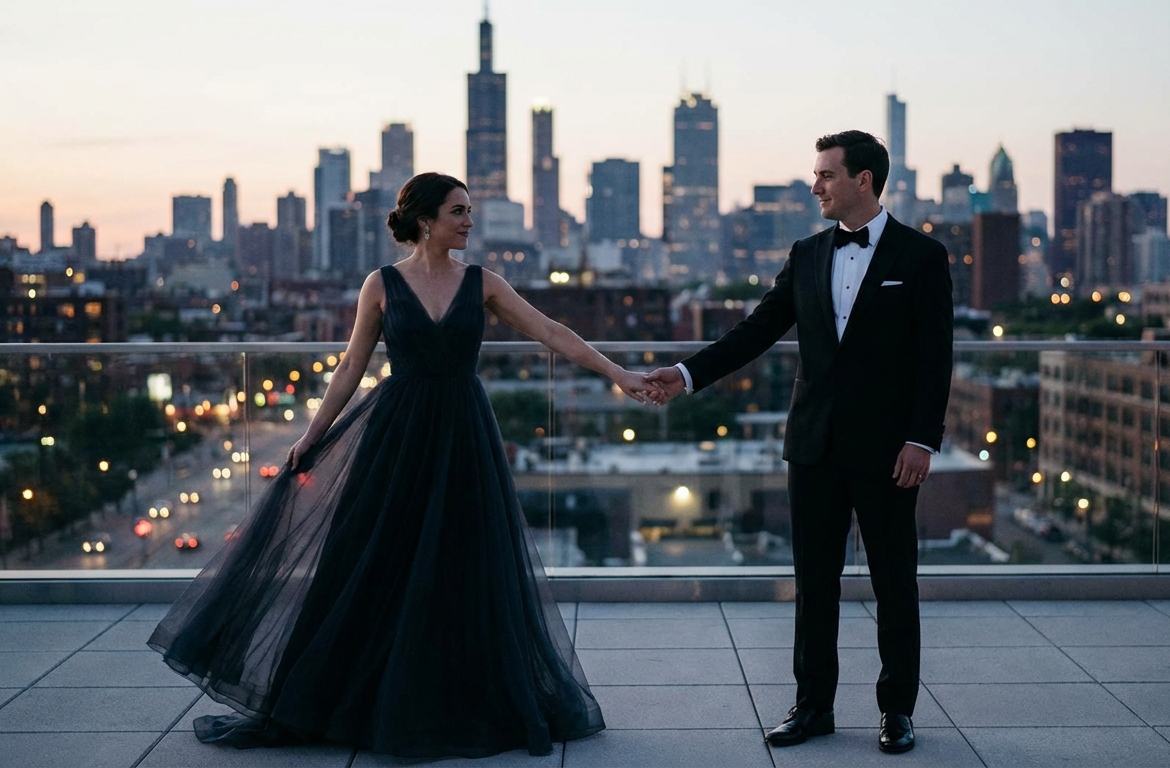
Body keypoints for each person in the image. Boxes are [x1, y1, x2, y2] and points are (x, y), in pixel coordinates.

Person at [149, 172, 656, 759]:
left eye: (469, 211)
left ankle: (454, 696)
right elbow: (348, 369)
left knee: (464, 561)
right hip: (397, 433)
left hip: (464, 433)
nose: (469, 221)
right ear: (425, 220)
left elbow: (551, 332)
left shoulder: (484, 282)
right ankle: (350, 697)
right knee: (373, 560)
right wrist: (312, 435)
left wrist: (619, 375)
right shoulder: (380, 285)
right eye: (459, 211)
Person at [645, 131, 953, 754]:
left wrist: (922, 440)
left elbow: (934, 358)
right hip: (812, 446)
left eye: (825, 176)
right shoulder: (807, 252)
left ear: (862, 179)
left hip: (890, 450)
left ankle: (898, 712)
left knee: (896, 582)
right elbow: (756, 330)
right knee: (815, 583)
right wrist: (684, 376)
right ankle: (813, 707)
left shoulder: (922, 256)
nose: (814, 186)